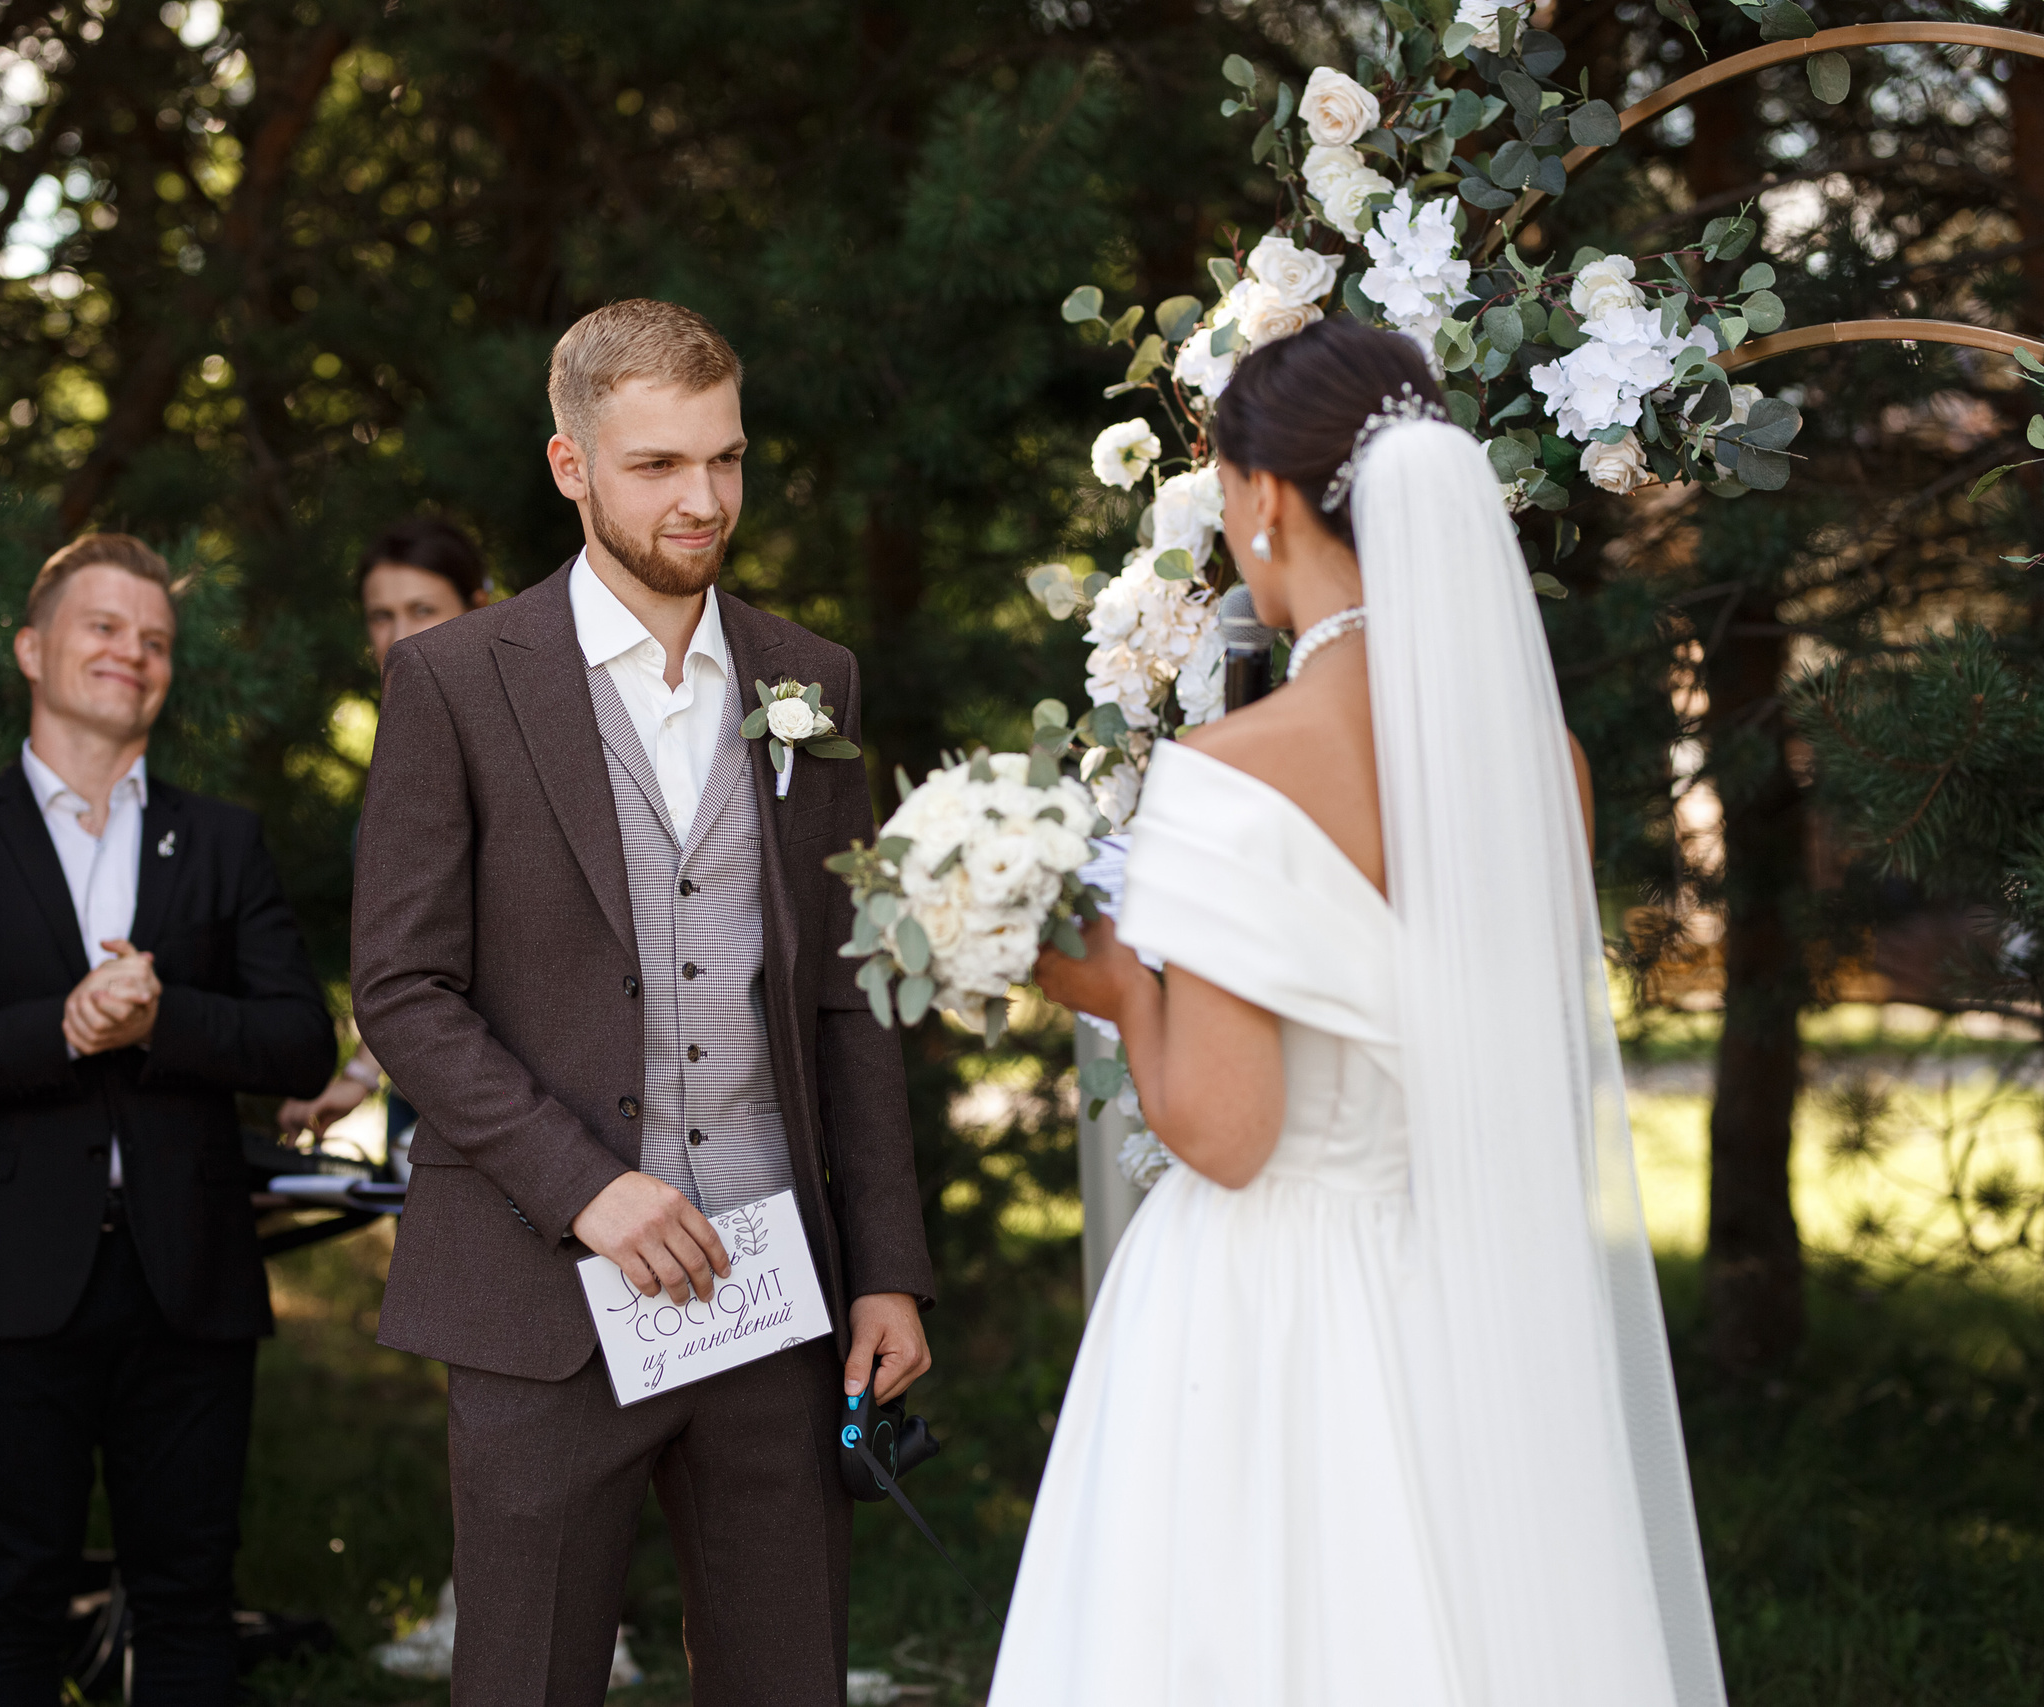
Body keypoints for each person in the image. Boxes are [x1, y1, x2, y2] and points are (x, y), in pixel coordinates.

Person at [994, 321, 1728, 1706]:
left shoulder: (1233, 769)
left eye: (1224, 485)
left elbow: (1226, 1128)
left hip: (1270, 1310)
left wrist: (1109, 988)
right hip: (1467, 1287)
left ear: (1266, 495)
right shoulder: (1544, 761)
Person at [351, 298, 934, 1707]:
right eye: (659, 466)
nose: (703, 499)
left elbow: (850, 997)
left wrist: (887, 1261)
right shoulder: (454, 682)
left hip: (772, 1295)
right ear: (571, 467)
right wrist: (587, 1187)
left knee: (786, 1679)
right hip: (540, 1296)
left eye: (725, 459)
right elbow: (403, 989)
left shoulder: (813, 678)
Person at [0, 533, 336, 1706]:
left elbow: (298, 1042)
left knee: (187, 1594)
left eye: (156, 639)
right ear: (33, 648)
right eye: (105, 628)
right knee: (13, 1591)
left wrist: (164, 1020)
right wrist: (61, 1031)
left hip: (192, 1274)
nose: (134, 652)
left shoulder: (221, 840)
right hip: (4, 1281)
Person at [278, 516, 493, 1149]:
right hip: (421, 1101)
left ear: (478, 609)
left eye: (422, 609)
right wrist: (360, 1073)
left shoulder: (514, 747)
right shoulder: (401, 756)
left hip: (519, 1104)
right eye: (381, 616)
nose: (399, 637)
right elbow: (408, 956)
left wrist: (358, 1073)